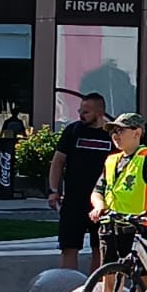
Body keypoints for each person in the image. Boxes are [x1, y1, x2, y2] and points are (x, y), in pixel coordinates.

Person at [88, 112, 147, 266]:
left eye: (120, 130)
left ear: (137, 133)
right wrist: (99, 206)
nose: (115, 135)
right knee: (109, 273)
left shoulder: (146, 156)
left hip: (138, 227)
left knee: (143, 276)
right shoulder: (111, 160)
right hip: (110, 225)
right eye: (113, 131)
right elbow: (98, 190)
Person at [48, 92, 112, 272]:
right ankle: (68, 288)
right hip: (74, 199)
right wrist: (53, 189)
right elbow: (58, 161)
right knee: (69, 247)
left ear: (99, 112)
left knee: (100, 247)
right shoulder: (73, 131)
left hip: (102, 200)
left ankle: (94, 291)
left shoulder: (111, 135)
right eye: (80, 110)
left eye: (86, 112)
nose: (80, 115)